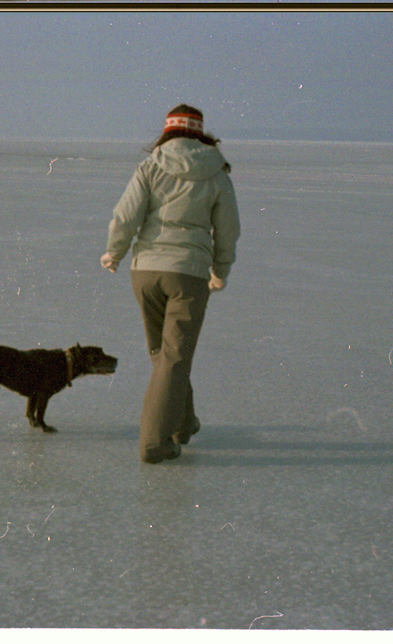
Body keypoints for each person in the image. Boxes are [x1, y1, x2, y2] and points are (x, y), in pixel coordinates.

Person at [101, 104, 240, 464]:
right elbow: (227, 229)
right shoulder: (217, 172)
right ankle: (154, 443)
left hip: (145, 272)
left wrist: (114, 252)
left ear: (168, 131)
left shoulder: (150, 166)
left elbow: (126, 215)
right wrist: (220, 270)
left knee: (163, 355)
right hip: (188, 273)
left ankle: (182, 424)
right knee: (174, 358)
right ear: (200, 132)